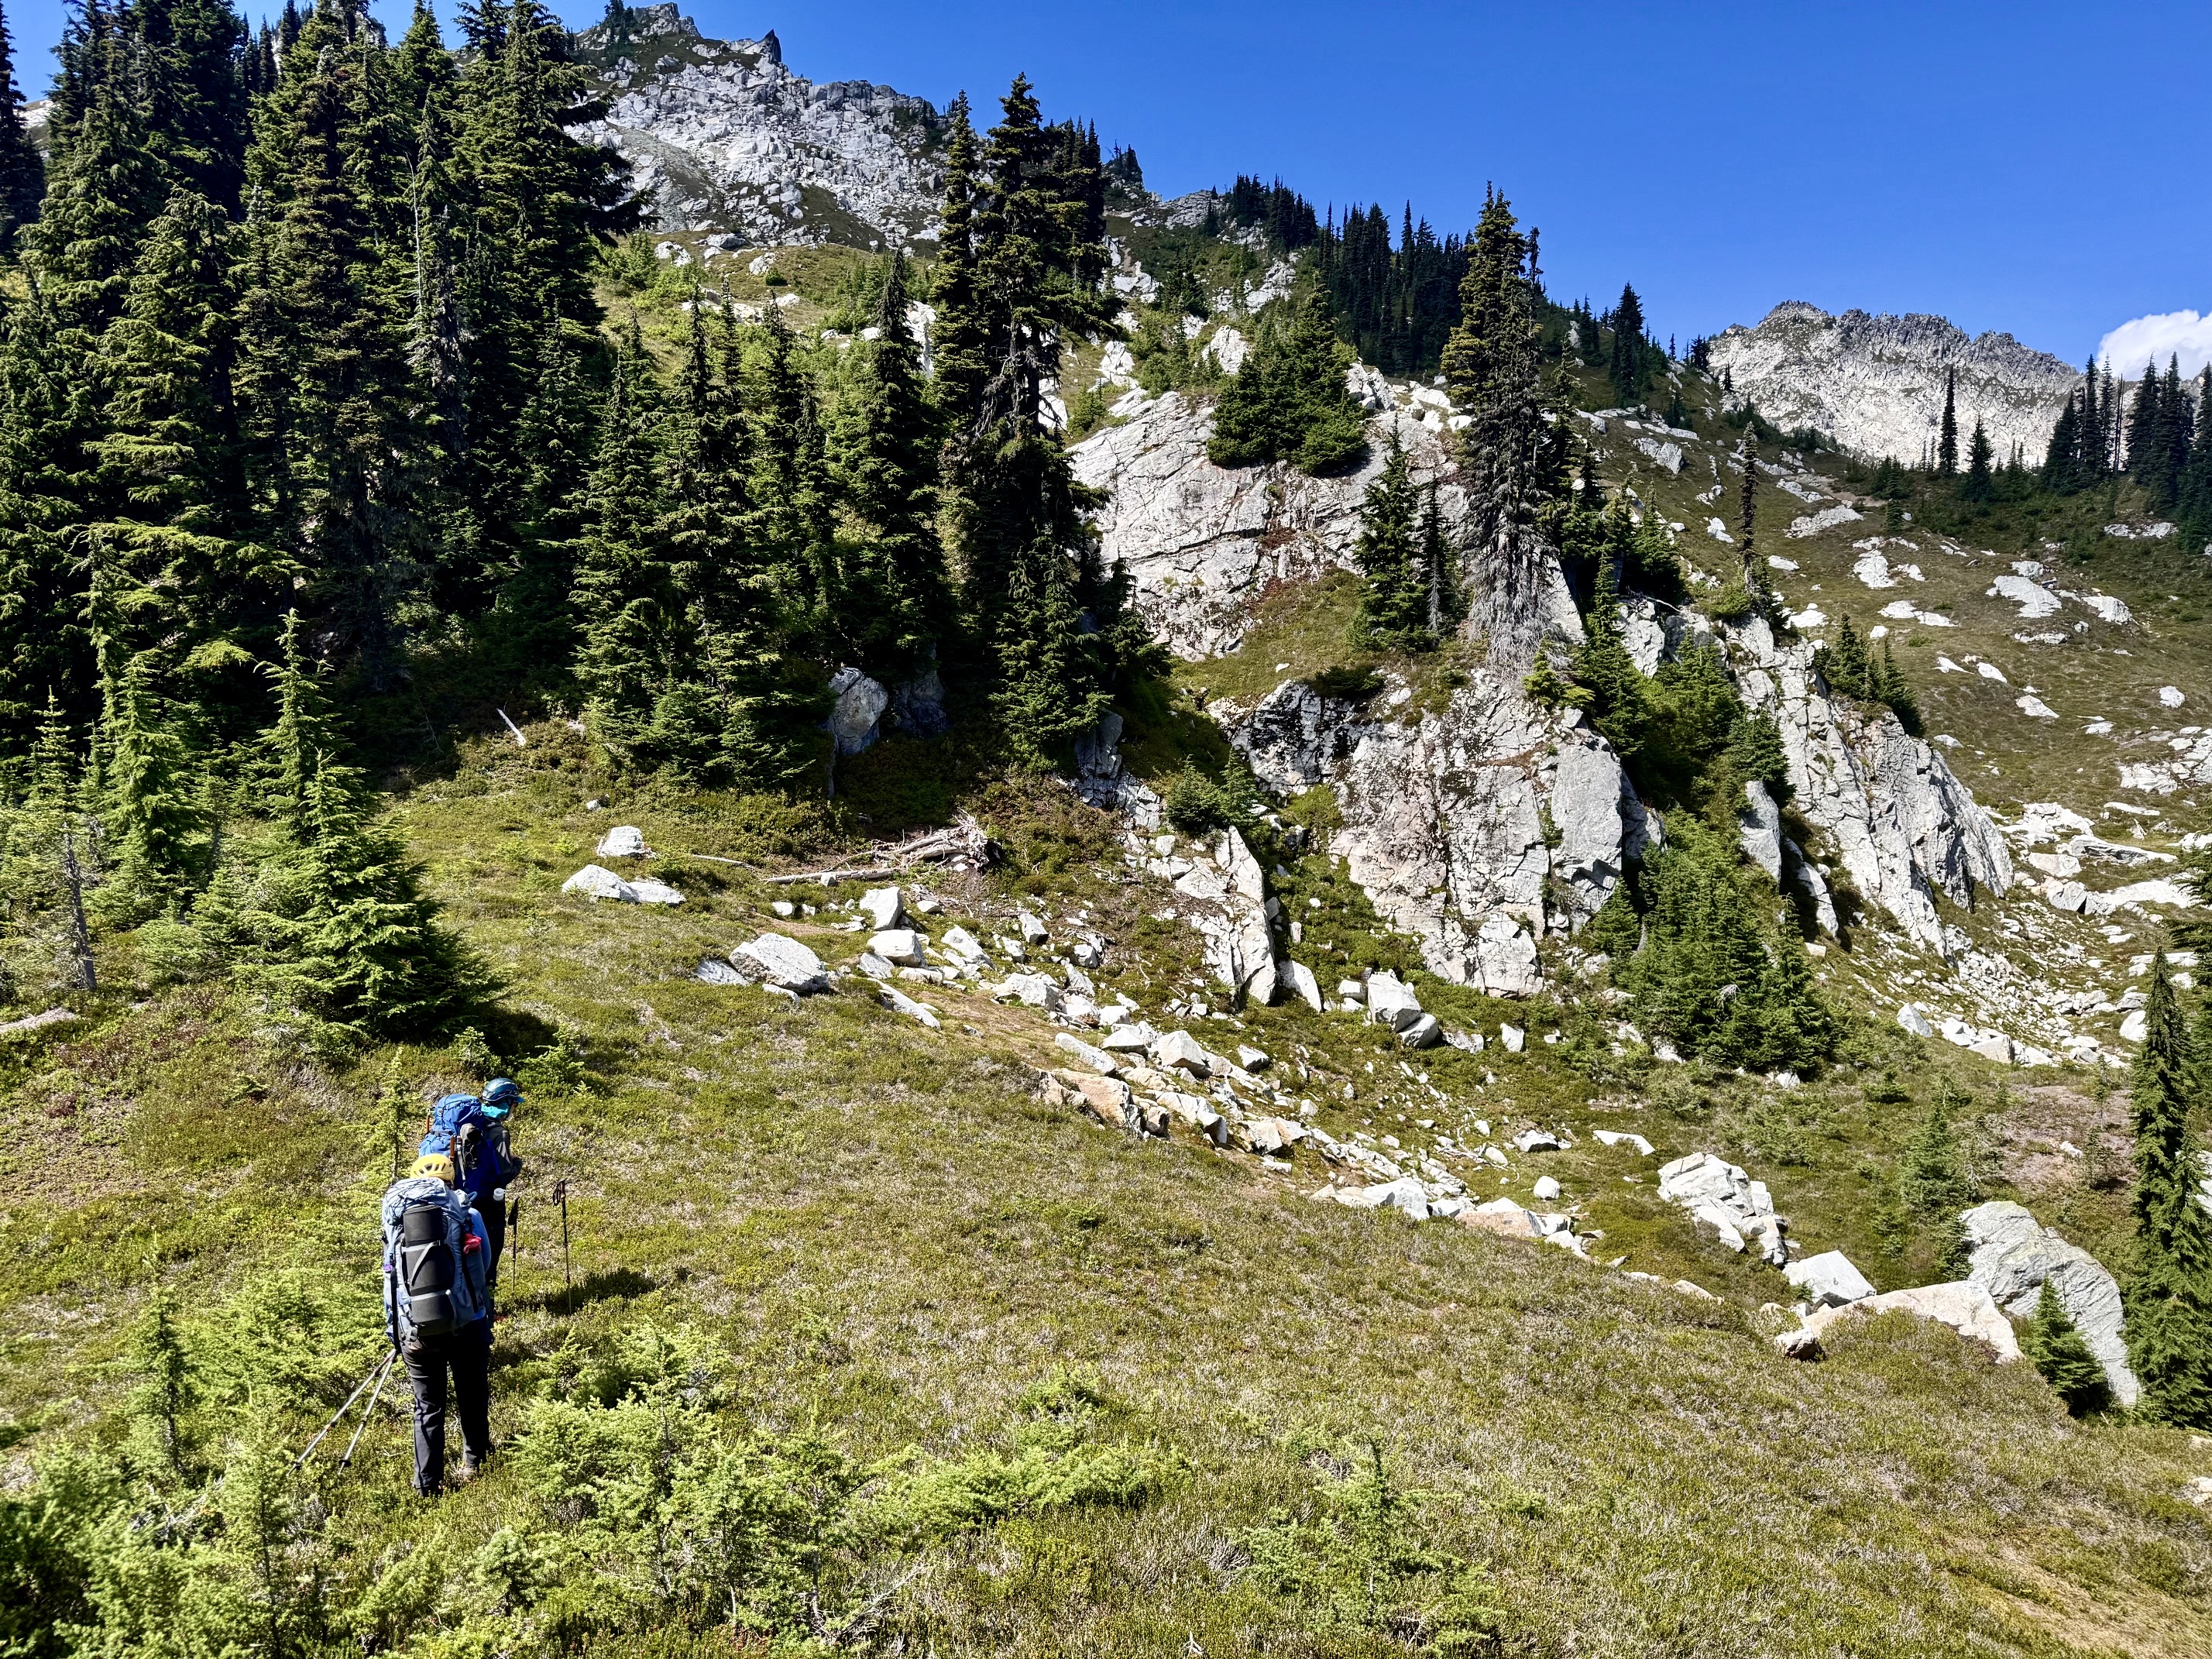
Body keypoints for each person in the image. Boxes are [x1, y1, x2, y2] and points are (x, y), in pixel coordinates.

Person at [380, 1152, 493, 1496]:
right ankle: (476, 1462)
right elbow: (486, 1264)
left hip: (416, 1330)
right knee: (472, 1394)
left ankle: (427, 1485)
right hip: (467, 1322)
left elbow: (391, 1277)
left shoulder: (396, 1220)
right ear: (451, 1180)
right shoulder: (468, 1214)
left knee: (427, 1407)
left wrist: (396, 1330)